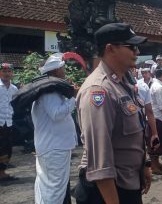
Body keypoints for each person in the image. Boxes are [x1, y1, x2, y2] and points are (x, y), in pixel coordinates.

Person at [75, 23, 151, 204]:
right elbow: (100, 158)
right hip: (108, 191)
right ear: (110, 49)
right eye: (131, 47)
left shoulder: (122, 83)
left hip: (127, 181)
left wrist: (144, 165)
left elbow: (133, 135)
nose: (137, 51)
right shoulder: (99, 90)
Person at [31, 54, 76, 204]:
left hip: (52, 146)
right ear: (56, 71)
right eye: (62, 68)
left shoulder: (47, 89)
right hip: (55, 148)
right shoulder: (49, 91)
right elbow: (56, 114)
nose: (64, 70)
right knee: (55, 189)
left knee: (48, 186)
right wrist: (74, 98)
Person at [0, 62, 18, 182]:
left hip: (8, 122)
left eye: (9, 71)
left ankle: (2, 172)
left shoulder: (14, 89)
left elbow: (15, 104)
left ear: (12, 73)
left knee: (7, 148)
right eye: (4, 71)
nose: (6, 74)